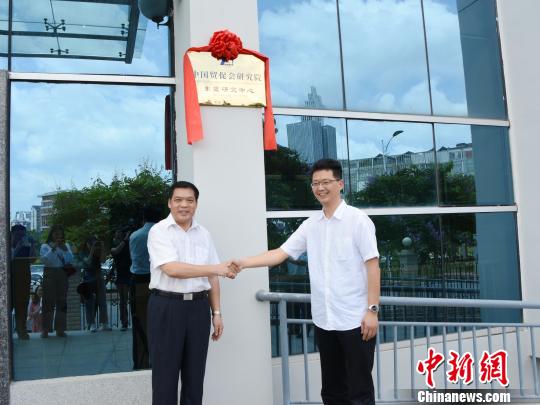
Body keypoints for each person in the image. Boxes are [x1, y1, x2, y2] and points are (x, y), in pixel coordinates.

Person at [233, 159, 381, 405]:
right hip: (325, 321)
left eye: (326, 182)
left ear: (340, 184)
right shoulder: (311, 225)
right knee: (332, 391)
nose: (320, 188)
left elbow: (373, 266)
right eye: (315, 183)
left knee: (360, 391)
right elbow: (280, 253)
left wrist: (372, 310)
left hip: (356, 321)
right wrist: (244, 263)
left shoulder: (358, 220)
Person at [146, 181, 236, 405]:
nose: (184, 205)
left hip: (198, 308)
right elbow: (172, 269)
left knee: (195, 378)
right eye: (178, 200)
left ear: (196, 204)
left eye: (189, 200)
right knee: (165, 379)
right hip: (167, 307)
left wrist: (216, 313)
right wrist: (215, 268)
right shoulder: (159, 231)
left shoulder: (203, 234)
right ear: (169, 203)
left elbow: (213, 277)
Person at [129, 206, 162, 369]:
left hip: (139, 282)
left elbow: (133, 259)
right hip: (159, 282)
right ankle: (161, 359)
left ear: (143, 217)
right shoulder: (163, 235)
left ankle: (141, 362)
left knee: (140, 323)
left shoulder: (135, 236)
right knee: (162, 322)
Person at [40, 224, 75, 338]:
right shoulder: (45, 246)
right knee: (47, 302)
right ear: (51, 234)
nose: (58, 235)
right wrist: (54, 248)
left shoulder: (66, 246)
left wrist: (65, 250)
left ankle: (60, 329)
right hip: (49, 273)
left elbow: (70, 260)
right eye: (55, 233)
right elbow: (45, 260)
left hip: (62, 273)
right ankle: (45, 330)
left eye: (60, 233)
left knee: (62, 301)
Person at [79, 236, 111, 332]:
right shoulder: (82, 252)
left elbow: (103, 260)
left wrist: (102, 247)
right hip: (88, 277)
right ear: (87, 244)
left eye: (96, 244)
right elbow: (88, 262)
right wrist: (92, 250)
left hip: (98, 276)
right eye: (92, 244)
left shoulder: (98, 252)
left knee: (102, 300)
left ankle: (104, 323)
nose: (95, 246)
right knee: (89, 302)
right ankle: (91, 324)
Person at [10, 224, 36, 339]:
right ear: (12, 234)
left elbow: (32, 259)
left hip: (23, 279)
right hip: (9, 281)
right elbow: (8, 260)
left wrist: (32, 245)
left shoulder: (26, 246)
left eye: (22, 235)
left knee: (22, 305)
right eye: (18, 235)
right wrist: (17, 248)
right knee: (8, 305)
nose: (20, 238)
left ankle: (22, 330)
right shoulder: (6, 246)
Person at [111, 228, 132, 331]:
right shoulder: (114, 245)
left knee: (131, 299)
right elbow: (115, 251)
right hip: (121, 276)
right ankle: (124, 322)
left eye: (120, 233)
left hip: (129, 274)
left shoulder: (128, 245)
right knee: (123, 300)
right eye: (117, 233)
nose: (119, 235)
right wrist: (125, 240)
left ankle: (132, 321)